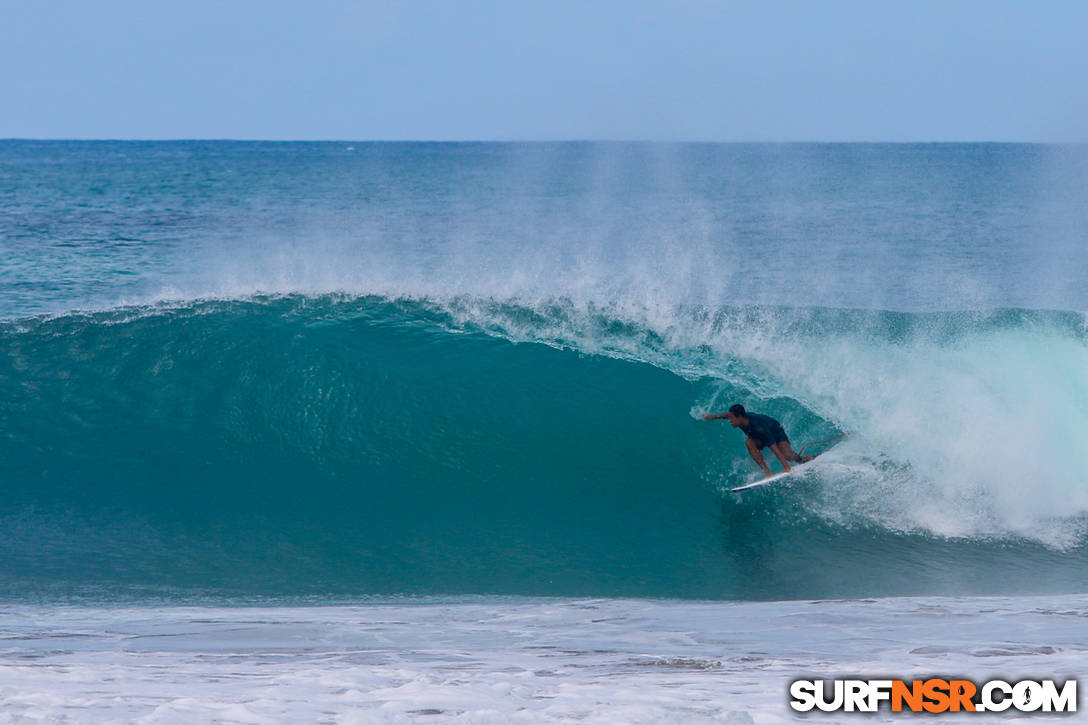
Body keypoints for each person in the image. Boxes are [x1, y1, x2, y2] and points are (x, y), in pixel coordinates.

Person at [701, 404, 812, 478]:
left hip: (775, 432)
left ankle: (804, 459)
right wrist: (712, 417)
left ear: (739, 417)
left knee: (787, 454)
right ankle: (767, 471)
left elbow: (775, 449)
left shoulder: (759, 428)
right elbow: (726, 415)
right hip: (758, 435)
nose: (730, 421)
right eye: (730, 418)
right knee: (749, 442)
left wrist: (787, 468)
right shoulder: (740, 419)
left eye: (732, 418)